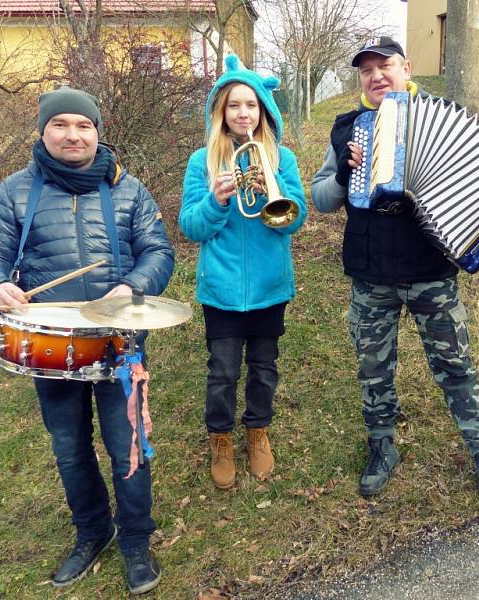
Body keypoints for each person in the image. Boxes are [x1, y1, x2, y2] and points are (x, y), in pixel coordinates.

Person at [0, 86, 174, 592]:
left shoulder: (128, 190)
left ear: (98, 133)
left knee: (128, 445)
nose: (73, 135)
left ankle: (135, 541)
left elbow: (158, 251)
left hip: (118, 341)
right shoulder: (15, 191)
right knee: (69, 447)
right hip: (50, 345)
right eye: (61, 124)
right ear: (42, 131)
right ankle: (92, 531)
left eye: (84, 126)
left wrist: (135, 285)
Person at [310, 37, 479, 514]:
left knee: (456, 369)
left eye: (384, 65)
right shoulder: (346, 129)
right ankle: (382, 444)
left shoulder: (442, 117)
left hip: (431, 271)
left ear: (406, 67)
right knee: (374, 370)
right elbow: (321, 199)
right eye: (366, 70)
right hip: (370, 275)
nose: (376, 75)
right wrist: (345, 174)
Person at [179, 55, 307, 491]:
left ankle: (257, 431)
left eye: (251, 105)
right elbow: (191, 227)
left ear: (264, 111)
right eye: (234, 105)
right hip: (222, 289)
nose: (243, 113)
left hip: (271, 286)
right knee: (222, 371)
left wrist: (273, 186)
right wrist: (215, 201)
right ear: (220, 111)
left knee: (264, 366)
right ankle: (220, 438)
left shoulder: (280, 156)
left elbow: (295, 217)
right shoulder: (202, 161)